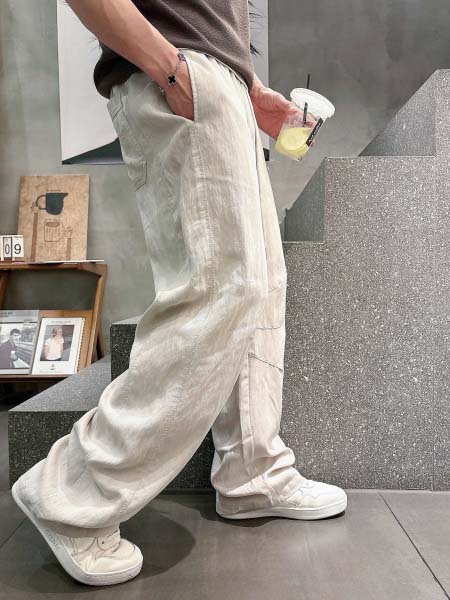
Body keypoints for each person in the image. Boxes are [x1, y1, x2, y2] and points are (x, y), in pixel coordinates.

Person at [12, 0, 347, 587]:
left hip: (217, 82)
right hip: (179, 75)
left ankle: (253, 472)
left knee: (260, 287)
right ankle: (71, 491)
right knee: (221, 288)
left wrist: (250, 89)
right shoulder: (175, 71)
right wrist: (170, 69)